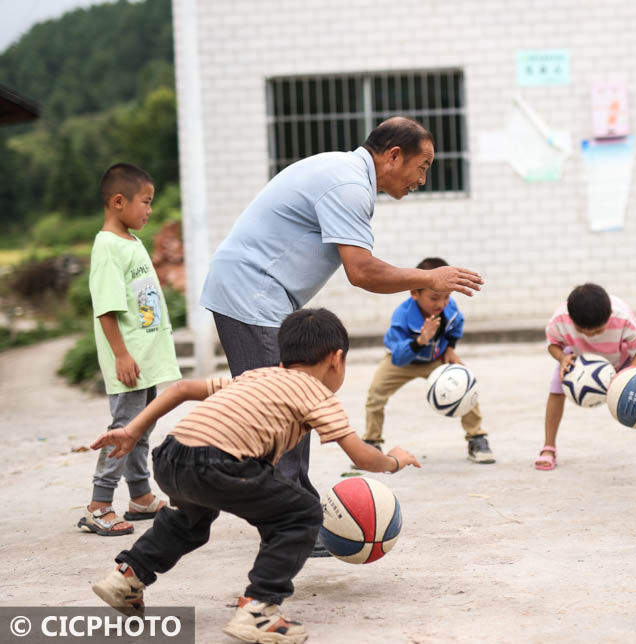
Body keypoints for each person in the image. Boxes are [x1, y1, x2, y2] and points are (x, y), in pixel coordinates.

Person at [200, 117, 482, 556]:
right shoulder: (348, 186)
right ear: (392, 156)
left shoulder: (346, 176)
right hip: (251, 295)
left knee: (290, 406)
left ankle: (296, 512)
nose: (422, 180)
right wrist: (431, 276)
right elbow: (362, 271)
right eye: (421, 166)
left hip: (261, 297)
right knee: (283, 408)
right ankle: (287, 524)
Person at [89, 308, 420, 644]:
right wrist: (394, 460)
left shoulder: (255, 375)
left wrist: (132, 430)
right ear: (337, 359)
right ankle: (259, 608)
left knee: (188, 521)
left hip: (173, 455)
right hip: (220, 462)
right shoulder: (318, 394)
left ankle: (127, 576)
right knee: (303, 513)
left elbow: (184, 389)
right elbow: (361, 456)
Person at [77, 163, 181, 538]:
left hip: (145, 358)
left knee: (141, 426)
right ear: (119, 202)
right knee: (124, 429)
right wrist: (121, 354)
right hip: (130, 360)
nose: (149, 210)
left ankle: (140, 496)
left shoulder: (131, 242)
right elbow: (105, 307)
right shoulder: (107, 247)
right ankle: (99, 505)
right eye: (145, 202)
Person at [535, 283, 636, 471]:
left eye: (597, 331)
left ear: (610, 314)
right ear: (571, 319)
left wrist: (624, 377)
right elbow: (553, 344)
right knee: (555, 391)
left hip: (620, 359)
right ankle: (548, 448)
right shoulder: (561, 318)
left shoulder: (623, 317)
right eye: (583, 331)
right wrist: (561, 357)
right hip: (577, 362)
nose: (590, 335)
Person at [363, 257, 494, 464]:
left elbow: (457, 325)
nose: (441, 304)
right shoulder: (402, 316)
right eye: (434, 298)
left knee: (465, 384)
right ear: (414, 293)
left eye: (446, 297)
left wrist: (450, 349)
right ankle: (371, 442)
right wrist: (421, 340)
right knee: (375, 394)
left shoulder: (450, 309)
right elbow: (397, 357)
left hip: (436, 358)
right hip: (403, 360)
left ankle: (477, 437)